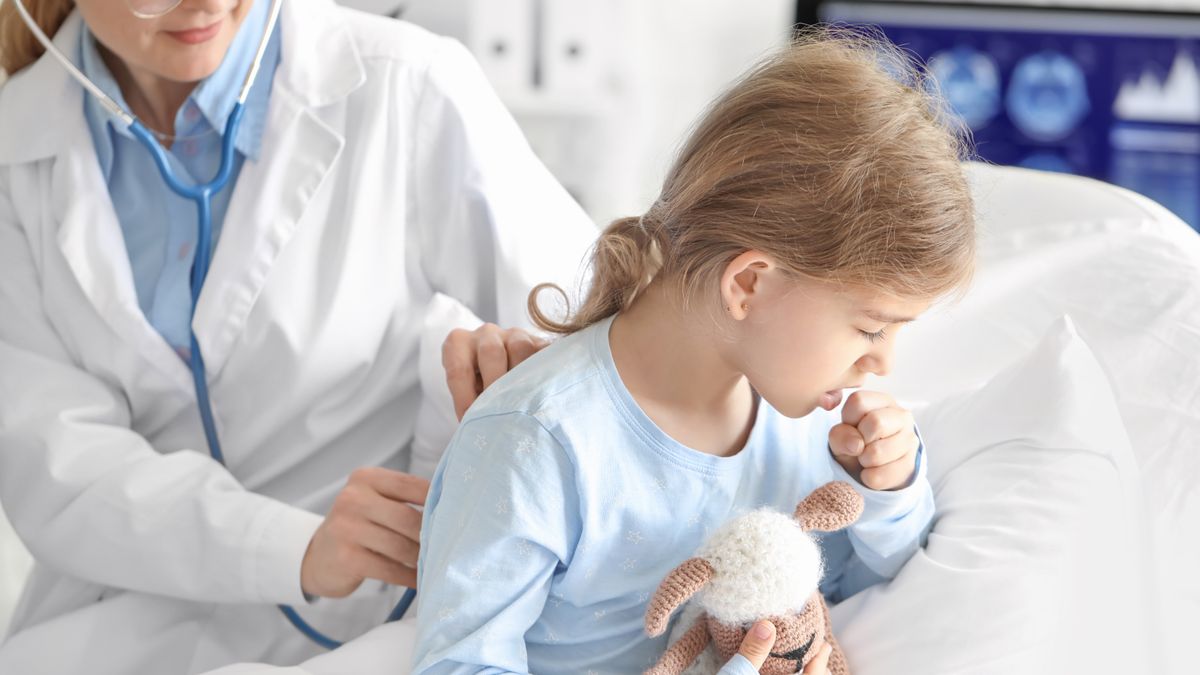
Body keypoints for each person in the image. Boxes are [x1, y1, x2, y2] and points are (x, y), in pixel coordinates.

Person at [0, 0, 595, 673]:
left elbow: (605, 341)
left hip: (370, 618)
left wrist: (519, 371)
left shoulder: (406, 85)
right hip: (116, 618)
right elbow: (59, 464)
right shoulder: (14, 152)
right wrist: (295, 547)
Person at [411, 29, 975, 675]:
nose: (883, 364)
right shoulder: (540, 439)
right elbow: (459, 663)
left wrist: (889, 487)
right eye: (872, 329)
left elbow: (865, 586)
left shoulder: (807, 423)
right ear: (749, 284)